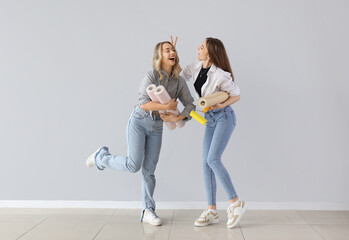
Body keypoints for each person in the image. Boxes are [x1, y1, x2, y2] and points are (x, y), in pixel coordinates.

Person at [86, 41, 195, 226]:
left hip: (158, 126)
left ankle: (148, 211)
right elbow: (144, 102)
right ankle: (101, 157)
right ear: (159, 56)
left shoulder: (179, 82)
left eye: (173, 49)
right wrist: (166, 106)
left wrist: (179, 118)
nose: (172, 52)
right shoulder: (151, 76)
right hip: (139, 120)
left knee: (149, 171)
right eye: (167, 50)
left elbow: (190, 104)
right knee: (133, 165)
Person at [175, 36, 247, 229]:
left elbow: (237, 94)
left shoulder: (221, 74)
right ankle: (212, 211)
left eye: (202, 46)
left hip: (224, 117)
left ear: (211, 51)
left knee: (213, 159)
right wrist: (173, 55)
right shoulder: (197, 66)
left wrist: (223, 103)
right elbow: (181, 75)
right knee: (205, 163)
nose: (198, 47)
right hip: (210, 120)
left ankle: (235, 202)